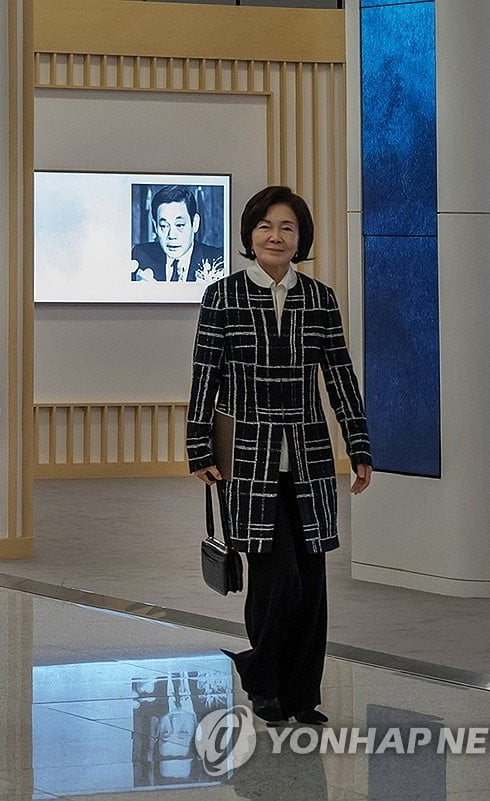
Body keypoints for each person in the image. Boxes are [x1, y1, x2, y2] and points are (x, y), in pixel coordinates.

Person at [187, 185, 371, 726]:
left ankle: (300, 696)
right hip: (248, 458)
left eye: (287, 227)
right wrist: (198, 445)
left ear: (300, 238)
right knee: (276, 577)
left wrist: (357, 443)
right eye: (266, 226)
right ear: (249, 235)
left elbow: (339, 374)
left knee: (312, 582)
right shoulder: (222, 296)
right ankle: (264, 679)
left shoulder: (320, 298)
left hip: (310, 459)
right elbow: (205, 376)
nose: (275, 236)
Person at [131, 185, 224, 282]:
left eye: (179, 225)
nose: (171, 236)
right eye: (164, 226)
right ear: (155, 226)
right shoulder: (140, 256)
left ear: (195, 223)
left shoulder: (218, 260)